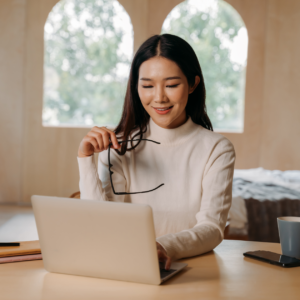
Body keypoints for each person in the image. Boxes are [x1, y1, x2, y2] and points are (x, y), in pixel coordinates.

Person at [77, 34, 235, 270]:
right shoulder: (119, 145)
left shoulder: (216, 149)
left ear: (193, 84)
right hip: (125, 267)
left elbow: (212, 229)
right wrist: (85, 159)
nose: (159, 97)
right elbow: (101, 222)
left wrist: (159, 247)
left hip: (190, 271)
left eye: (171, 85)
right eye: (148, 86)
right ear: (136, 87)